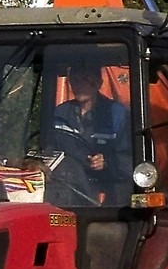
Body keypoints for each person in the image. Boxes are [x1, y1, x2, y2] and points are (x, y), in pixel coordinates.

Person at [48, 62, 133, 205]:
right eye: (75, 80)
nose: (79, 85)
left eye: (85, 79)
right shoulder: (59, 113)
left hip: (107, 192)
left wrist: (107, 162)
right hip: (67, 188)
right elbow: (48, 148)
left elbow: (133, 161)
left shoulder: (117, 115)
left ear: (99, 83)